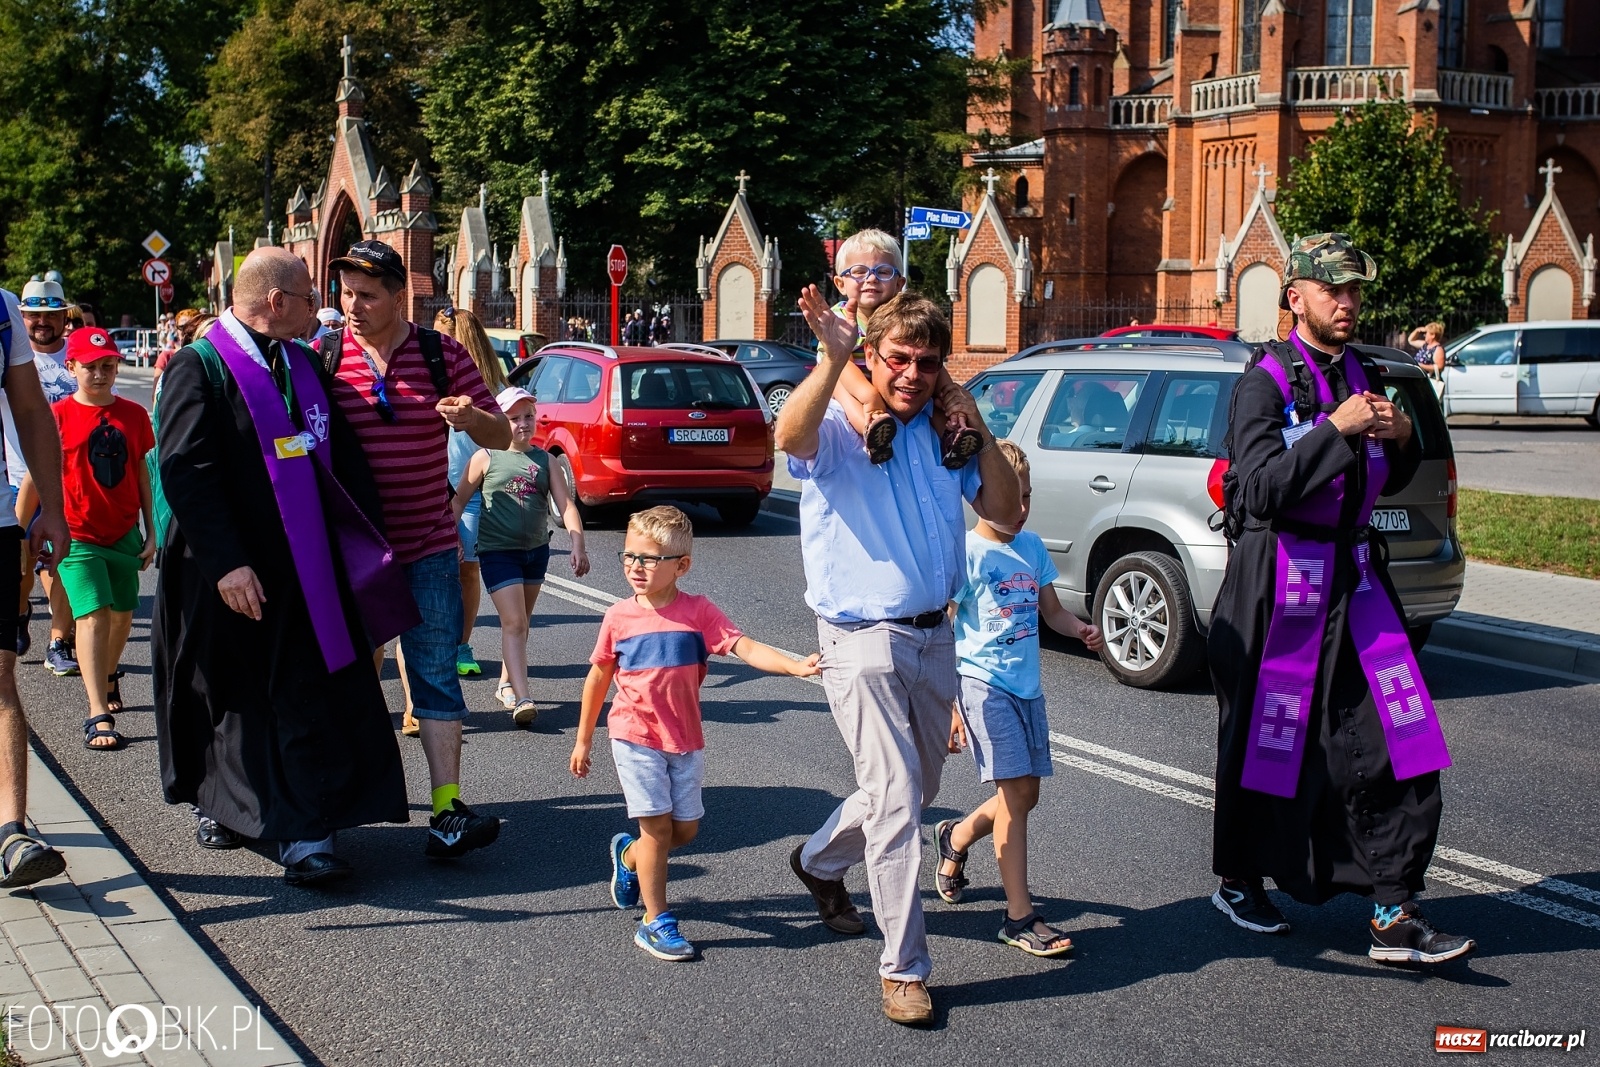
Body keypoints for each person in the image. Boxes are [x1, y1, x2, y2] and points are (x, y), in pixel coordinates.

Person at [1208, 233, 1473, 965]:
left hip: (1358, 583)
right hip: (1282, 583)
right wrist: (1336, 429)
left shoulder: (1369, 372)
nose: (1349, 303)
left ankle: (1395, 907)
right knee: (1271, 742)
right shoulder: (1265, 380)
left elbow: (1384, 473)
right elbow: (1258, 488)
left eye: (1356, 291)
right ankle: (1239, 876)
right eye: (1334, 291)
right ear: (1296, 296)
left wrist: (1403, 431)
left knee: (1402, 735)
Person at [775, 290, 1021, 1026]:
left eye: (927, 362)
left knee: (912, 789)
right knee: (892, 799)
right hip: (861, 638)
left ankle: (820, 861)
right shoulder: (849, 426)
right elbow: (789, 436)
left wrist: (971, 414)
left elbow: (1005, 511)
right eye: (898, 359)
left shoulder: (947, 431)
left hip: (934, 633)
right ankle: (904, 967)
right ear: (873, 358)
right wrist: (831, 359)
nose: (911, 373)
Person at [154, 247, 414, 885]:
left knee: (303, 693)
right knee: (229, 699)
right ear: (275, 302)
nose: (318, 310)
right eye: (306, 298)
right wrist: (228, 564)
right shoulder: (201, 367)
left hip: (305, 569)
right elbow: (187, 471)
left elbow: (342, 457)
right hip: (230, 572)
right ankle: (232, 807)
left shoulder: (301, 362)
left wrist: (369, 546)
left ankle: (304, 831)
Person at [325, 240, 510, 858]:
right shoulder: (324, 355)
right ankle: (337, 803)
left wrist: (468, 419)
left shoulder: (441, 353)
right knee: (346, 678)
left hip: (428, 547)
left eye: (367, 295)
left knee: (434, 676)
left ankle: (445, 809)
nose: (353, 305)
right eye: (346, 292)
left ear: (400, 295)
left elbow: (501, 430)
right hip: (352, 553)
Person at [569, 506, 819, 961]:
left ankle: (628, 858)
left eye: (649, 559)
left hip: (684, 738)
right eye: (629, 557)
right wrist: (584, 738)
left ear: (681, 566)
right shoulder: (618, 618)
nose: (635, 567)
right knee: (659, 831)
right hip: (633, 735)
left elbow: (745, 647)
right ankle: (655, 921)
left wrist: (794, 666)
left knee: (683, 830)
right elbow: (599, 678)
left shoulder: (699, 612)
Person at [934, 440, 1104, 957]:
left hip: (1028, 687)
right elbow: (942, 630)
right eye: (1011, 496)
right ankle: (1019, 916)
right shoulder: (965, 552)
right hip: (982, 685)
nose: (1020, 507)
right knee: (1015, 799)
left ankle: (956, 837)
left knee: (1026, 795)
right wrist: (946, 708)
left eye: (1027, 496)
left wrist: (1079, 629)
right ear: (976, 496)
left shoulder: (1031, 547)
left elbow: (1051, 612)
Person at [452, 386, 588, 724]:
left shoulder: (546, 459)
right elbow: (457, 500)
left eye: (529, 416)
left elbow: (566, 504)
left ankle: (505, 684)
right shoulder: (485, 457)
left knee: (521, 625)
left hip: (535, 552)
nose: (523, 424)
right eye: (514, 418)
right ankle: (523, 698)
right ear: (500, 421)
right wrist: (452, 536)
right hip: (498, 551)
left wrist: (577, 543)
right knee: (513, 622)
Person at [52, 329, 155, 750]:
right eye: (90, 367)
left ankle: (110, 673)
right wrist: (27, 530)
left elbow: (142, 472)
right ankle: (97, 714)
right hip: (77, 535)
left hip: (124, 533)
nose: (100, 374)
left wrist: (152, 530)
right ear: (71, 367)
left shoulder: (133, 415)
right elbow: (37, 480)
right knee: (93, 615)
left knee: (121, 617)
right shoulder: (56, 415)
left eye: (108, 366)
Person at [0, 285, 71, 887]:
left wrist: (51, 503)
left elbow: (28, 410)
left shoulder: (0, 309)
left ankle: (12, 833)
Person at [817, 230, 980, 468]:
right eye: (860, 272)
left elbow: (927, 360)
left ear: (899, 283)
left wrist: (948, 393)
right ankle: (871, 433)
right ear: (841, 283)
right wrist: (870, 397)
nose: (871, 279)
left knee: (929, 378)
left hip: (894, 384)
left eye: (883, 272)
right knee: (842, 392)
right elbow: (842, 366)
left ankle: (954, 435)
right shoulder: (840, 318)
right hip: (851, 383)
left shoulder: (903, 318)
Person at [7, 275, 80, 669]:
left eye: (50, 315)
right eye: (33, 314)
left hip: (67, 479)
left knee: (62, 564)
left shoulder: (78, 358)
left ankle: (59, 641)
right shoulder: (13, 357)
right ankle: (20, 614)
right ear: (22, 316)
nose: (41, 322)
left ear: (64, 317)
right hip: (18, 479)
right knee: (20, 566)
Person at [435, 305, 507, 685]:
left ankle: (460, 646)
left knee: (465, 569)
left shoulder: (489, 389)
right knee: (447, 572)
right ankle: (443, 645)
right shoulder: (434, 379)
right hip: (438, 489)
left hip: (473, 494)